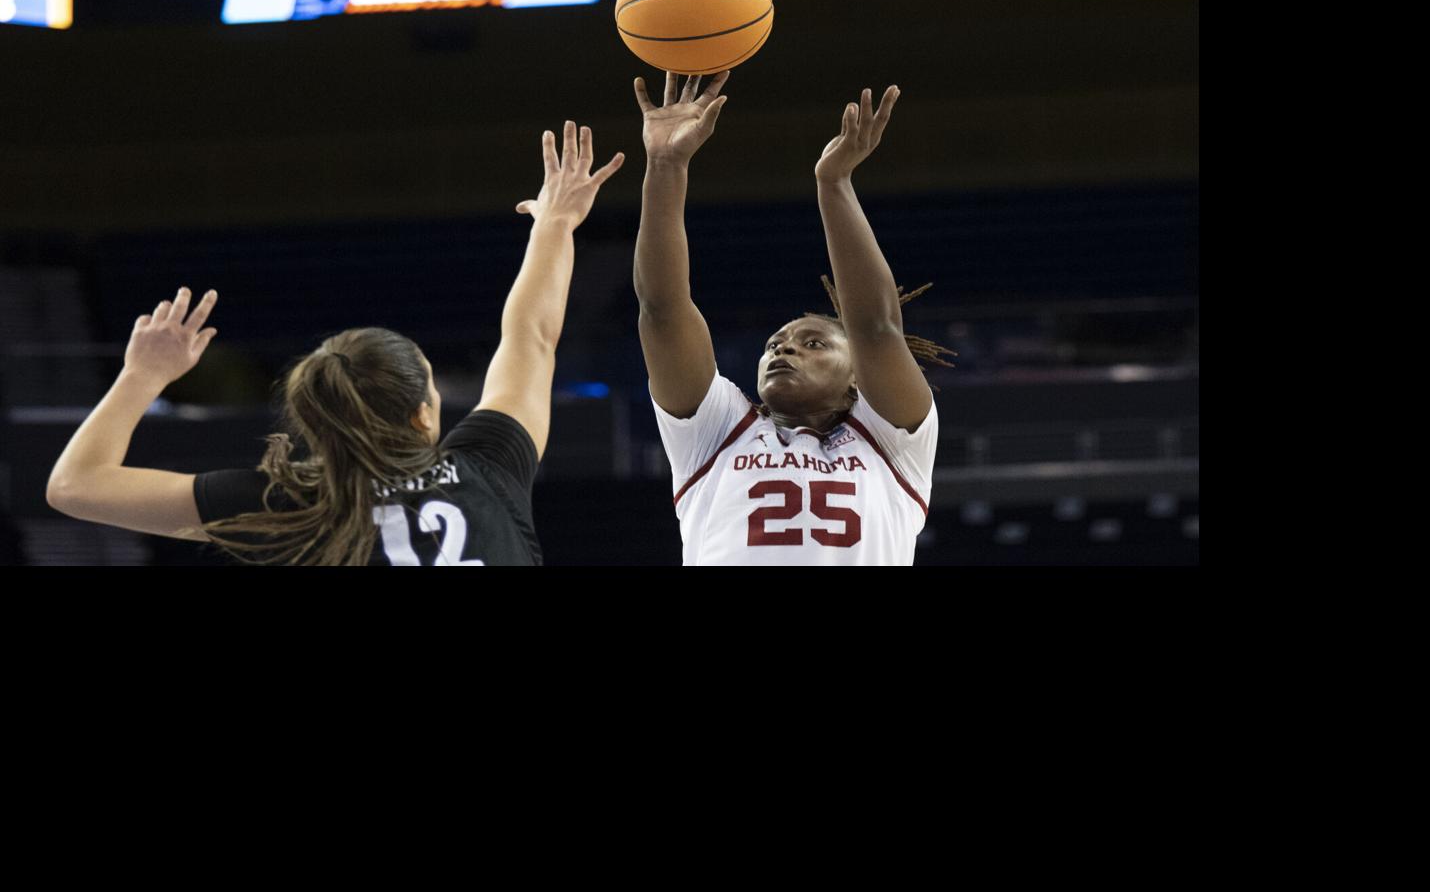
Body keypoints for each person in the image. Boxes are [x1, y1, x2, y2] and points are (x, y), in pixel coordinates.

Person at [46, 122, 625, 565]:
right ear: (425, 415)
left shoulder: (282, 503)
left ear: (317, 432)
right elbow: (530, 338)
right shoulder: (488, 468)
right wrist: (555, 224)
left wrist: (141, 377)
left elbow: (74, 486)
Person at [630, 72, 953, 565]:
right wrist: (665, 164)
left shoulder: (894, 443)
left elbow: (876, 328)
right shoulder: (714, 432)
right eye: (775, 344)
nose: (783, 349)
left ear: (856, 380)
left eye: (814, 344)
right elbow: (662, 308)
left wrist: (834, 183)